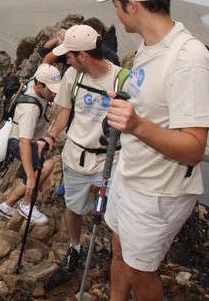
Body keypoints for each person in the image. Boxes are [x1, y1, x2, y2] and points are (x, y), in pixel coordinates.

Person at [97, 0, 209, 301]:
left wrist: (135, 124)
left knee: (138, 271)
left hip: (160, 192)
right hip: (132, 174)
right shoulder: (151, 46)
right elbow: (151, 102)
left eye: (117, 6)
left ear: (132, 6)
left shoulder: (187, 60)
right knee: (119, 247)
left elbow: (194, 146)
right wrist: (125, 109)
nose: (116, 14)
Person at [38, 24, 126, 272]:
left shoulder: (122, 79)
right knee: (73, 208)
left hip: (112, 160)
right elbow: (65, 112)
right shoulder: (72, 76)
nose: (66, 59)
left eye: (69, 55)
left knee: (119, 213)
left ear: (83, 56)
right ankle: (75, 247)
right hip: (76, 156)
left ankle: (119, 257)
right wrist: (51, 136)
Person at [0, 63, 61, 225]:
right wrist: (31, 175)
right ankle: (26, 204)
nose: (53, 93)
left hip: (28, 138)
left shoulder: (37, 77)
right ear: (39, 85)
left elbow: (46, 59)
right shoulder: (30, 109)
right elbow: (24, 142)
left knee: (39, 169)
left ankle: (7, 206)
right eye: (50, 89)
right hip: (17, 141)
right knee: (44, 166)